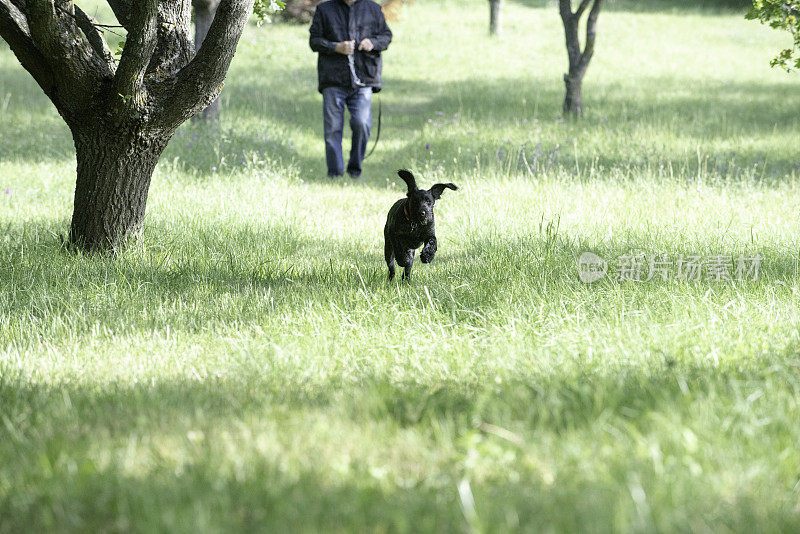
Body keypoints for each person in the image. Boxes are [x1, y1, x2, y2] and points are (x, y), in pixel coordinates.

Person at [309, 0, 392, 179]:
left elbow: (386, 36)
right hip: (333, 79)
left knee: (362, 124)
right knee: (332, 129)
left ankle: (355, 170)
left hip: (364, 79)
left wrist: (373, 42)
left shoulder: (373, 8)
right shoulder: (324, 9)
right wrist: (335, 47)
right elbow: (314, 41)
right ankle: (335, 175)